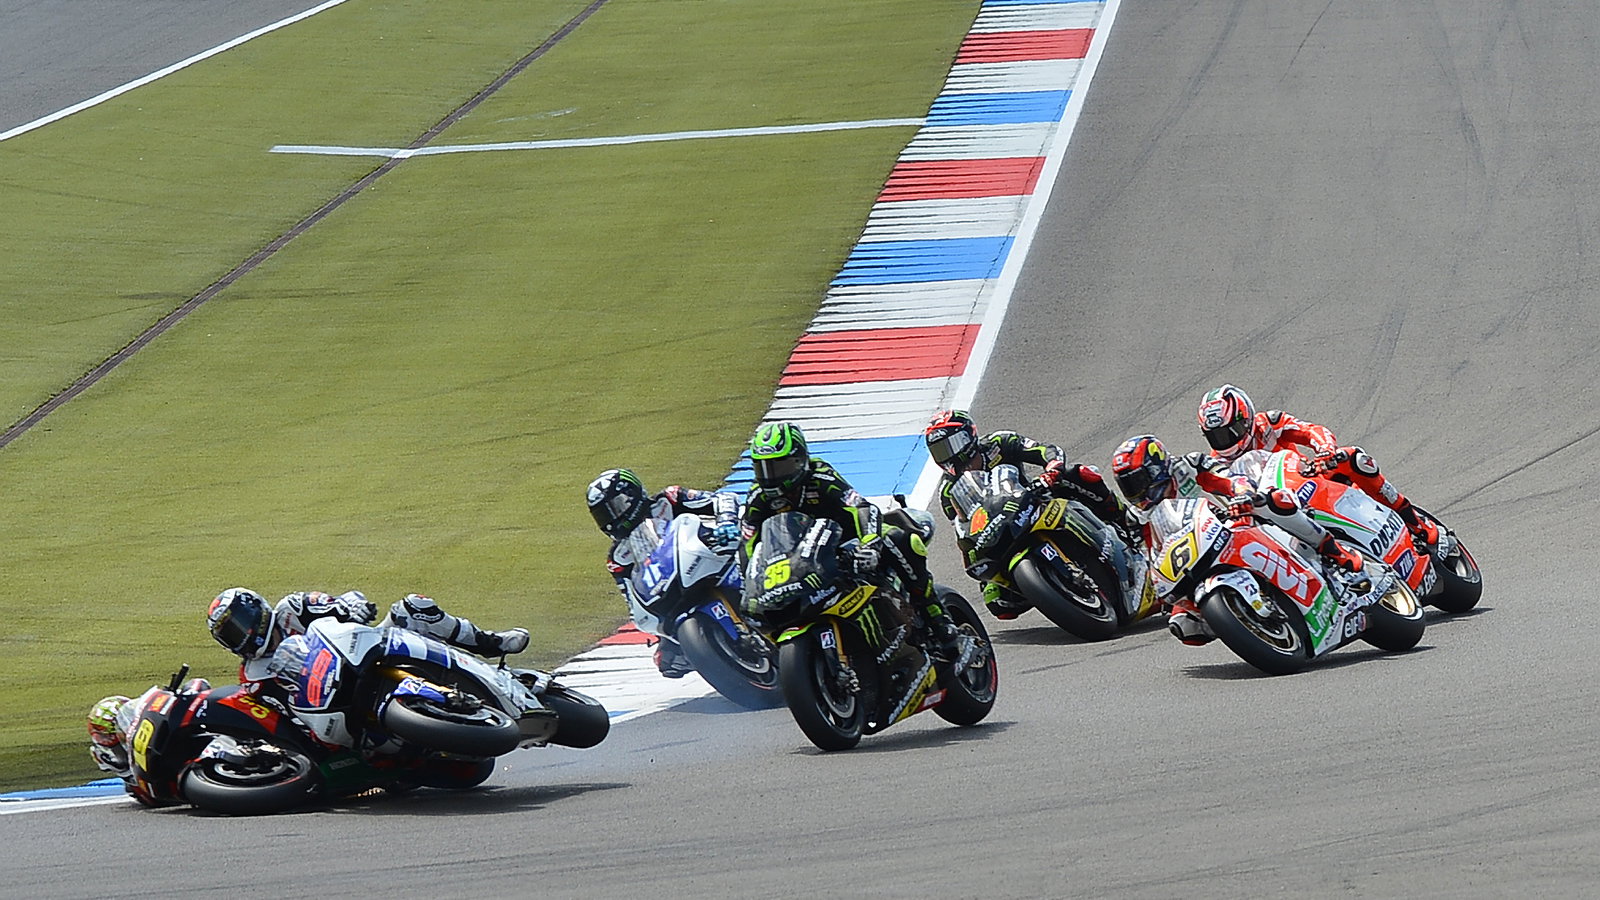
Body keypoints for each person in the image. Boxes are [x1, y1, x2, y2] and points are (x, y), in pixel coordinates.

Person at [1110, 434, 1365, 645]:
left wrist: (1242, 494)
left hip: (1234, 520)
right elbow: (1150, 555)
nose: (1136, 491)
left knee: (1274, 502)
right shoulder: (1137, 517)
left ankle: (1334, 551)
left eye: (1137, 481)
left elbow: (1228, 478)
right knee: (1184, 626)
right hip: (1192, 557)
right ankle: (1247, 620)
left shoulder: (1189, 466)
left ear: (1156, 467)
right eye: (1127, 485)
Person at [741, 421, 963, 658]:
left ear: (800, 459)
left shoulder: (820, 476)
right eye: (762, 468)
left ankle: (935, 614)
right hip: (799, 562)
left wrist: (870, 544)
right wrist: (750, 582)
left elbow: (862, 507)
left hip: (847, 543)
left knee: (898, 538)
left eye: (779, 466)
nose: (771, 476)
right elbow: (749, 545)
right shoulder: (758, 497)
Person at [924, 409, 1144, 620]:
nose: (948, 454)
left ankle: (1125, 520)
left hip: (1034, 499)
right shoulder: (948, 491)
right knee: (997, 602)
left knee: (1079, 474)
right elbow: (964, 526)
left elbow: (1045, 450)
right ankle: (1051, 587)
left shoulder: (998, 443)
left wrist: (1052, 469)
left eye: (951, 445)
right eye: (939, 451)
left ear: (969, 436)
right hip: (999, 530)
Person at [1196, 384, 1440, 547]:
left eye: (1231, 431)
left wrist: (1325, 450)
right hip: (1277, 513)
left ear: (1246, 417)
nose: (1226, 441)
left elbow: (1310, 430)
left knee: (1353, 458)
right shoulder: (1216, 465)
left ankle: (1414, 522)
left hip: (1310, 479)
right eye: (1216, 436)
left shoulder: (1267, 424)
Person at [586, 467, 742, 678]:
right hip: (674, 588)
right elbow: (633, 600)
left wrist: (726, 522)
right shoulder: (618, 558)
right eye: (603, 515)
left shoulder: (669, 499)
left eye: (615, 508)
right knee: (668, 661)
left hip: (718, 554)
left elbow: (724, 499)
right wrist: (658, 630)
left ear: (632, 496)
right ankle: (726, 663)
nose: (611, 519)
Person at [206, 587, 530, 684]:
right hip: (330, 708)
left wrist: (353, 606)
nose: (240, 637)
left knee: (414, 607)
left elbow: (342, 600)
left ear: (256, 609)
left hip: (364, 656)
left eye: (238, 625)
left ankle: (490, 644)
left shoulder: (293, 608)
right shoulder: (252, 674)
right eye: (229, 636)